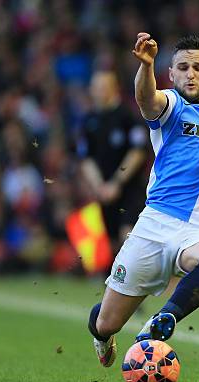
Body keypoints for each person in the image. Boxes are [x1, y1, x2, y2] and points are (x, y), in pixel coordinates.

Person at [88, 33, 199, 368]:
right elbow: (146, 99)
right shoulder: (170, 104)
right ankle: (100, 334)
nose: (191, 73)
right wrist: (146, 65)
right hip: (156, 226)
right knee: (106, 322)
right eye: (183, 67)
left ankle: (160, 321)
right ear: (171, 73)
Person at [78, 71, 148, 254]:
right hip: (103, 191)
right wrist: (100, 186)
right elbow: (86, 158)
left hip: (130, 189)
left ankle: (136, 278)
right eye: (96, 87)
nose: (99, 91)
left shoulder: (128, 116)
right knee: (109, 242)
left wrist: (117, 182)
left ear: (114, 88)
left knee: (128, 235)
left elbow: (138, 152)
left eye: (104, 87)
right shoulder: (89, 120)